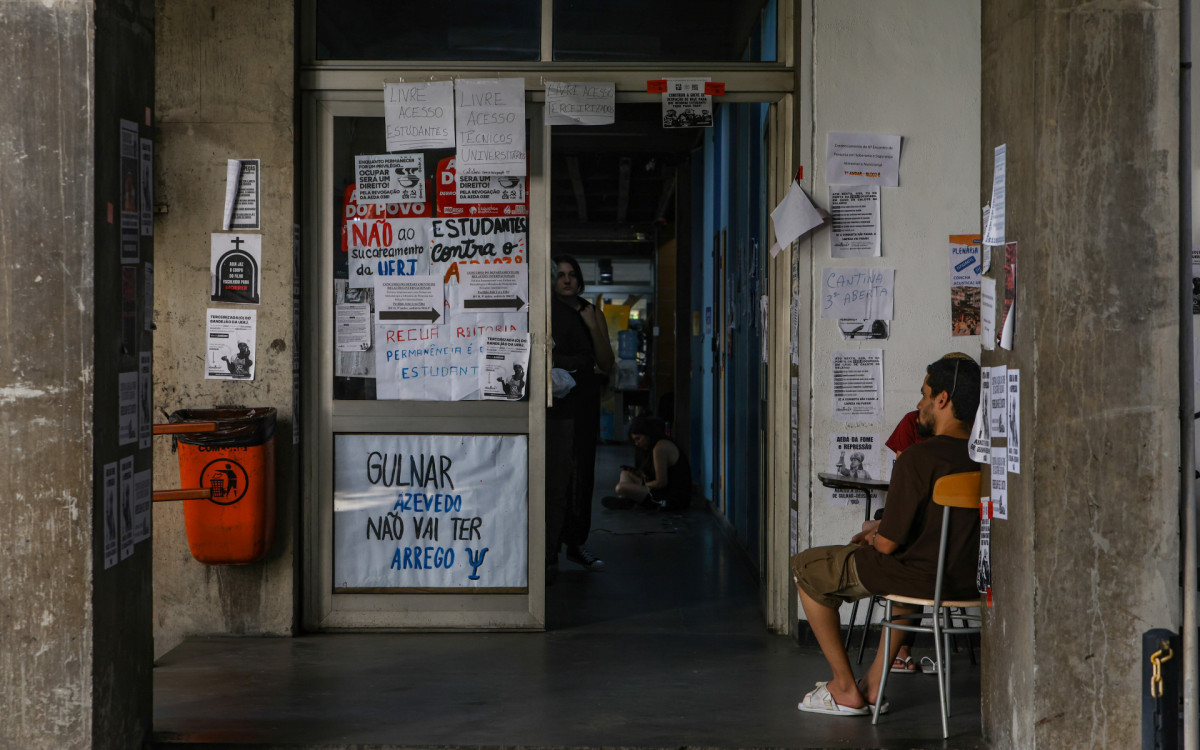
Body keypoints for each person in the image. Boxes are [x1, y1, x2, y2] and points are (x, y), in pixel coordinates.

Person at [792, 355, 981, 715]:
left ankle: (845, 688)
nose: (919, 404)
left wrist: (873, 535)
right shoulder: (986, 458)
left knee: (806, 567)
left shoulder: (918, 458)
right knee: (910, 564)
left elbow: (889, 544)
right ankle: (874, 685)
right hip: (970, 582)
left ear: (943, 400)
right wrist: (884, 528)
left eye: (925, 395)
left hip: (920, 579)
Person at [553, 255, 614, 571]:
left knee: (583, 471)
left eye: (572, 274)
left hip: (584, 398)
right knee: (556, 470)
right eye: (561, 274)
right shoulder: (545, 309)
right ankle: (550, 549)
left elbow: (606, 362)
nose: (567, 279)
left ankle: (576, 543)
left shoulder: (592, 312)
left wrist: (592, 326)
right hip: (554, 399)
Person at [605, 416, 692, 511]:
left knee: (620, 488)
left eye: (638, 439)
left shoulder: (660, 448)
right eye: (634, 440)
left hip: (672, 498)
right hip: (662, 490)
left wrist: (640, 485)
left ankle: (627, 499)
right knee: (625, 473)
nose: (636, 444)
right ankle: (627, 499)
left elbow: (661, 483)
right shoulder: (653, 447)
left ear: (648, 434)